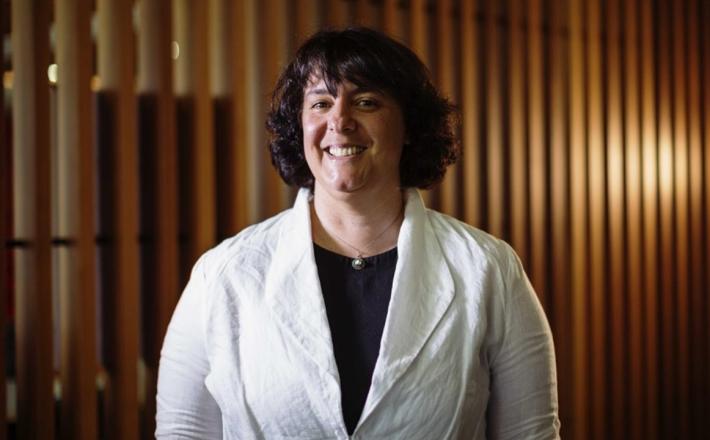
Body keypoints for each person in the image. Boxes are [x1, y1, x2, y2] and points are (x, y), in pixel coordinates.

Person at [156, 27, 560, 439]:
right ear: (299, 127)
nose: (340, 121)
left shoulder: (489, 270)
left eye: (366, 102)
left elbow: (531, 435)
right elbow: (182, 433)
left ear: (408, 125)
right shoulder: (224, 275)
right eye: (321, 103)